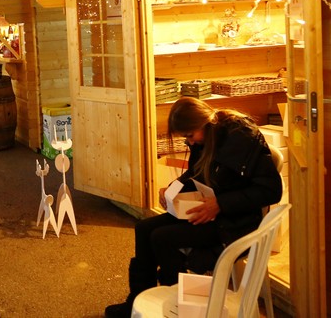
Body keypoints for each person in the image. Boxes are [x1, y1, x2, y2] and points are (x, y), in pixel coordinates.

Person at [104, 97, 282, 318]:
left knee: (162, 237)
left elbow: (271, 191)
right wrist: (172, 189)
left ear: (205, 121)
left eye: (189, 135)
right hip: (212, 211)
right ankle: (138, 299)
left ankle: (175, 304)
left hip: (236, 222)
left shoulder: (242, 138)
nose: (189, 142)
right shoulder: (204, 138)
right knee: (144, 228)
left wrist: (221, 204)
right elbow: (195, 174)